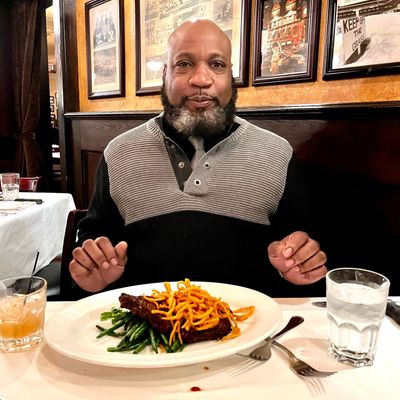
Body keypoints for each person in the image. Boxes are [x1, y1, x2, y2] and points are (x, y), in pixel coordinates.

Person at [69, 19, 327, 298]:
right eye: (184, 64)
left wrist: (298, 264)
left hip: (247, 319)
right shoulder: (119, 153)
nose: (202, 79)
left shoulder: (277, 153)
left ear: (230, 76)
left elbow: (305, 247)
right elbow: (94, 239)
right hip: (144, 322)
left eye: (217, 64)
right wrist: (94, 274)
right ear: (165, 75)